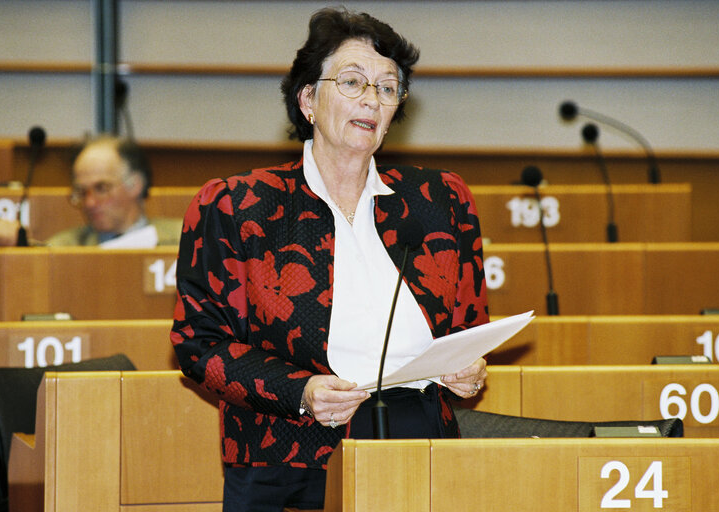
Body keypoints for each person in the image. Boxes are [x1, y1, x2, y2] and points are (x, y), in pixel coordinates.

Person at [171, 7, 489, 511]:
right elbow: (199, 346)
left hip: (419, 443)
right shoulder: (238, 206)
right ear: (308, 101)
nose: (372, 99)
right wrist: (301, 390)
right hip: (288, 457)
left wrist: (467, 369)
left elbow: (469, 326)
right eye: (352, 81)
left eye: (388, 88)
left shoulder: (439, 201)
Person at [45, 135, 182, 247]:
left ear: (135, 185)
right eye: (82, 192)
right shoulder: (62, 249)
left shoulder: (183, 242)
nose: (89, 203)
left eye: (101, 188)